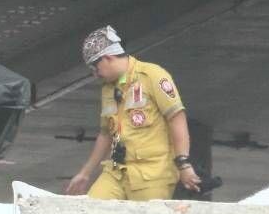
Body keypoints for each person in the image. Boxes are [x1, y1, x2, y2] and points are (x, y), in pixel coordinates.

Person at [64, 26, 202, 201]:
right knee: (91, 213)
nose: (95, 75)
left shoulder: (152, 75)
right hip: (116, 171)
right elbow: (106, 133)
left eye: (95, 68)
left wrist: (183, 163)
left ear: (107, 58)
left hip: (152, 174)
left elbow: (177, 118)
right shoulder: (108, 89)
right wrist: (85, 172)